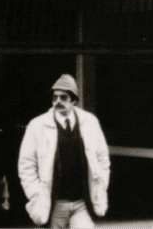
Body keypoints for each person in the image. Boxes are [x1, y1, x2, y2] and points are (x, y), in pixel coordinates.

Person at [17, 74, 111, 229]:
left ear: (74, 100)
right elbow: (26, 165)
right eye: (55, 98)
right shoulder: (37, 126)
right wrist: (35, 194)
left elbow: (102, 158)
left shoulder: (90, 123)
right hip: (53, 204)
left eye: (63, 97)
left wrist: (101, 186)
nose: (58, 102)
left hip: (81, 204)